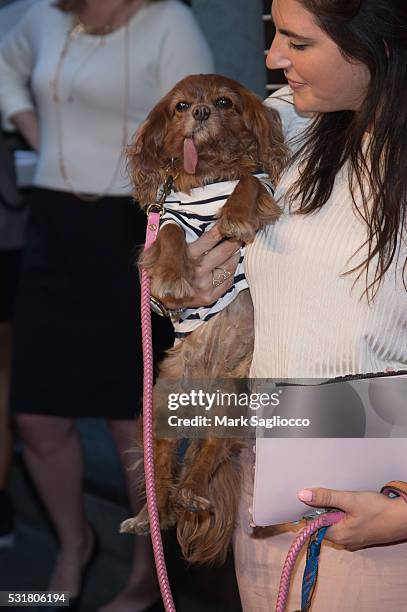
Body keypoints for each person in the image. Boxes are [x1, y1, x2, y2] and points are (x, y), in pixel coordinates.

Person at [156, 0, 407, 609]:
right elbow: (200, 265)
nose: (271, 59)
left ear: (379, 46)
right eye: (274, 35)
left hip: (381, 502)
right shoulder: (281, 124)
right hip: (264, 477)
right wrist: (191, 290)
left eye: (298, 43)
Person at [0, 1, 213, 610]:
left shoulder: (167, 19)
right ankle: (75, 545)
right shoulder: (44, 15)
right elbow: (5, 66)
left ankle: (149, 574)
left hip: (132, 230)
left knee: (132, 424)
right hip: (52, 224)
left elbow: (198, 125)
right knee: (37, 418)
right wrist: (34, 129)